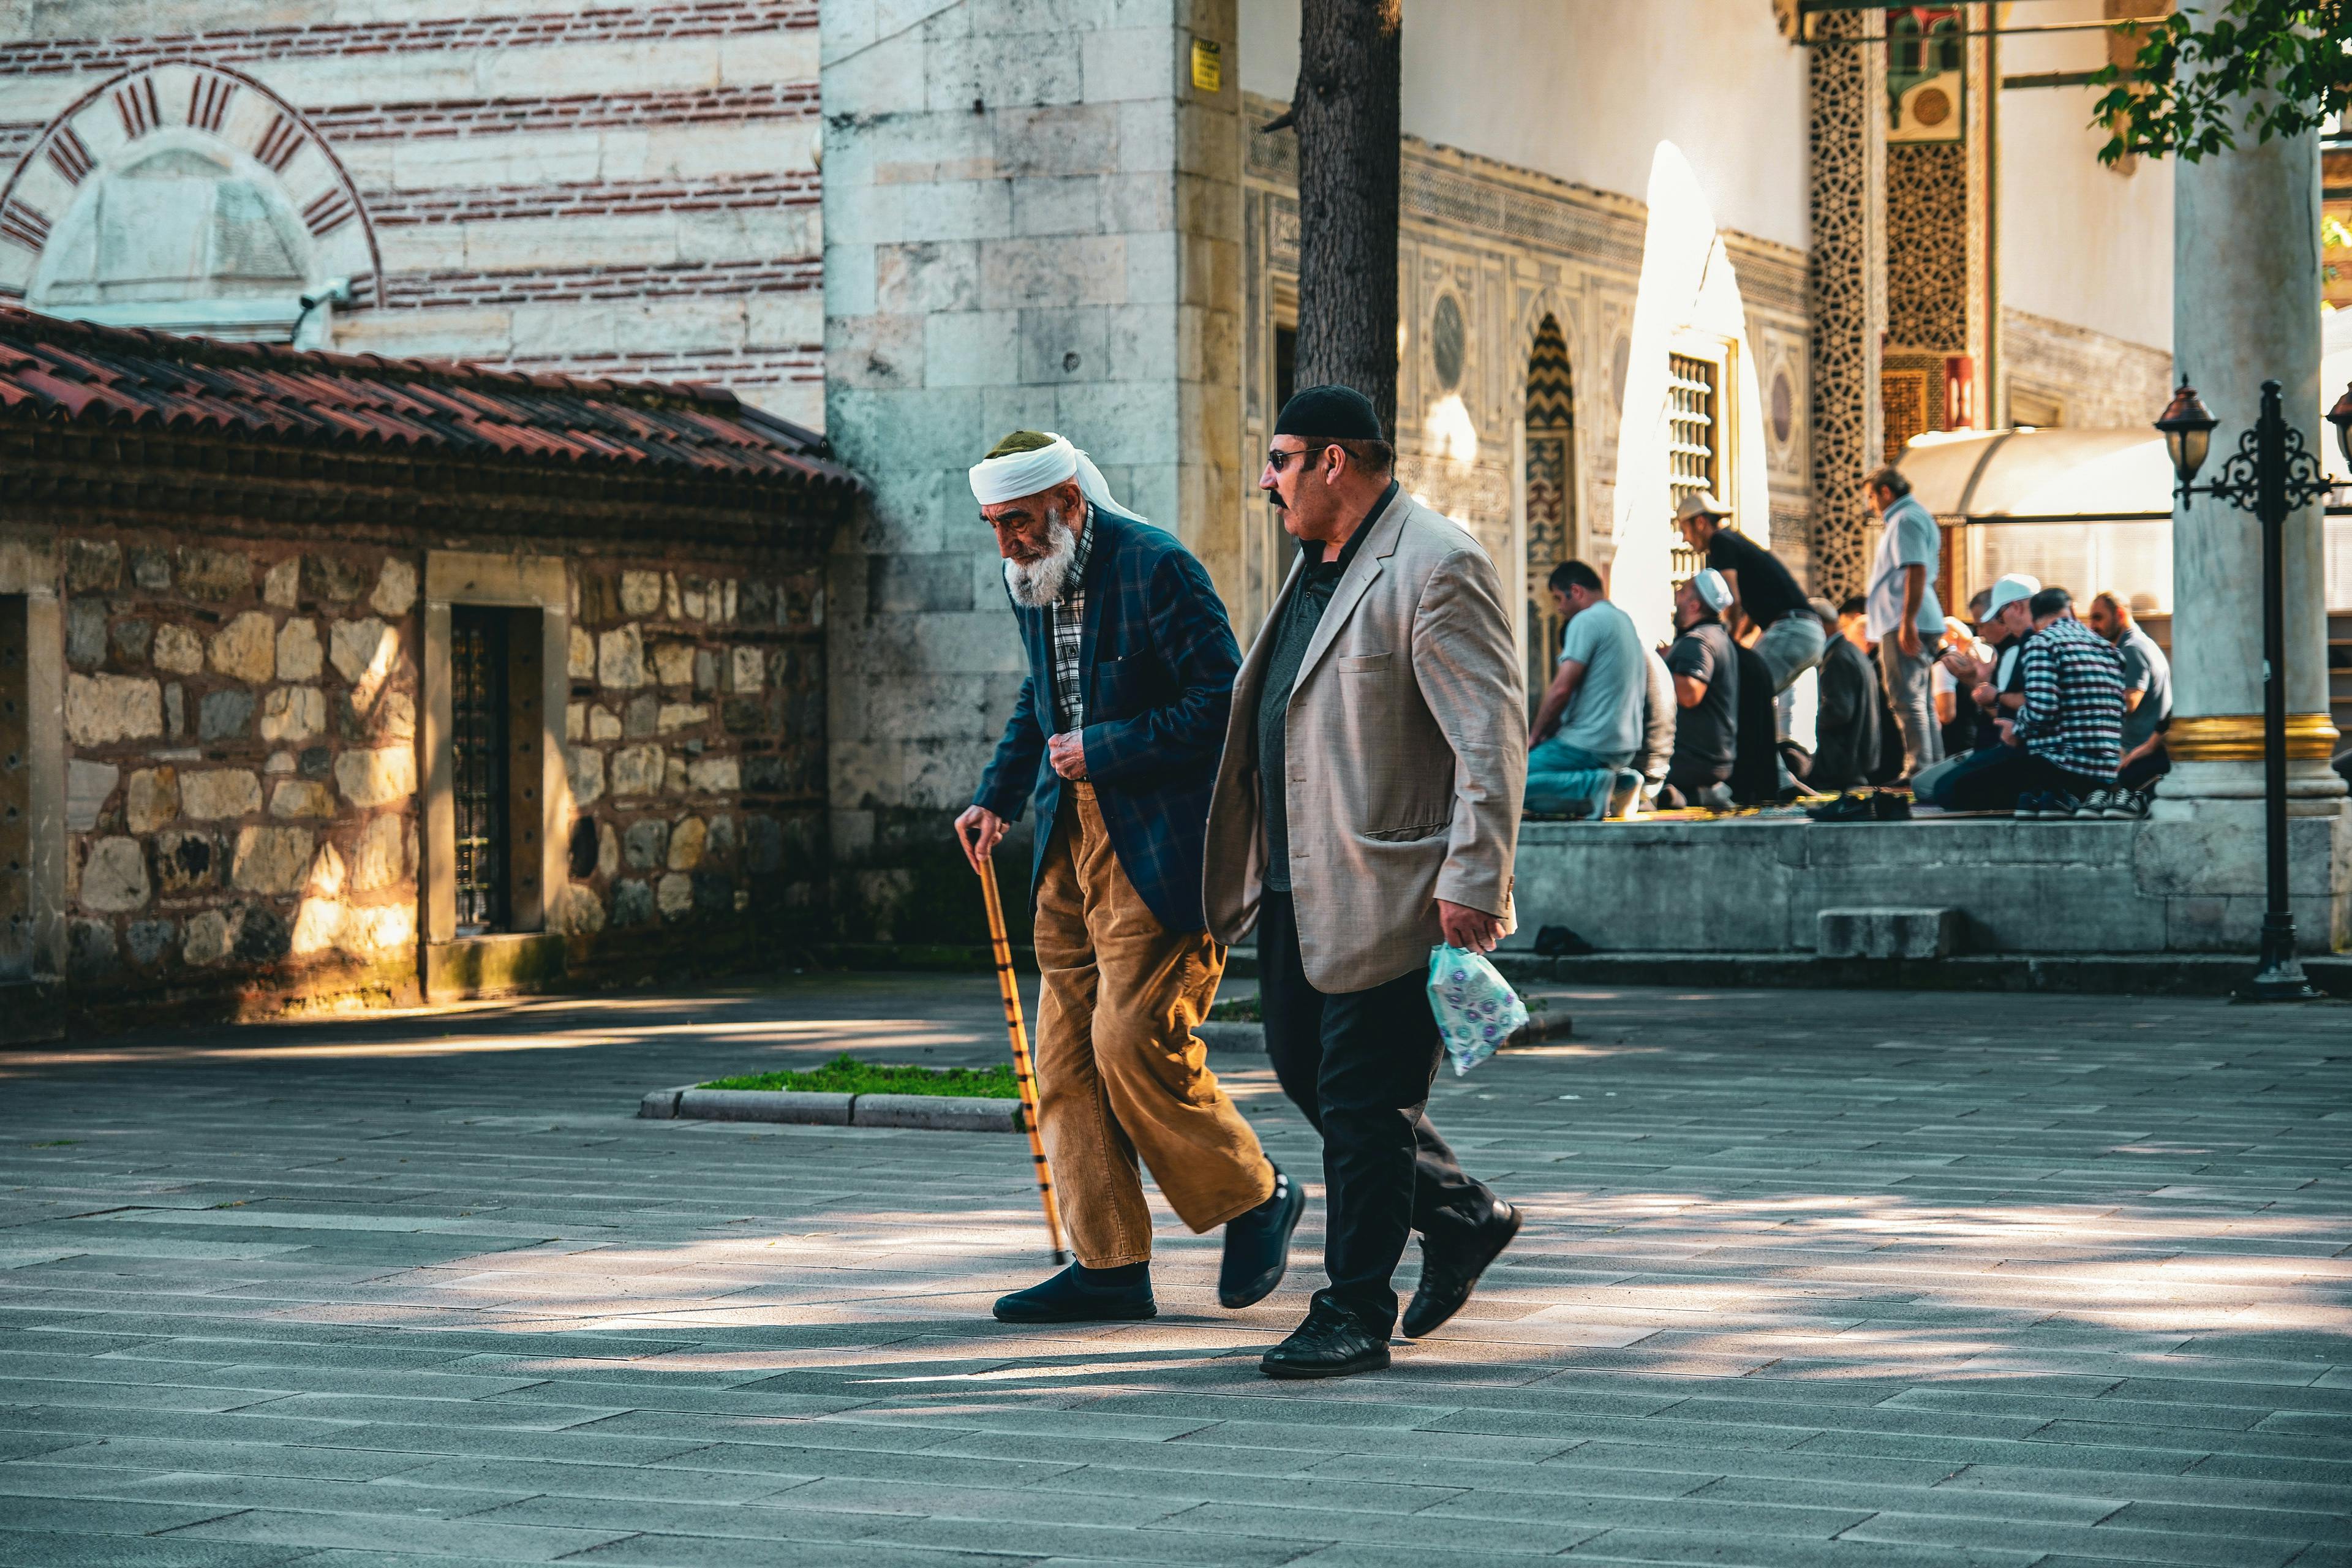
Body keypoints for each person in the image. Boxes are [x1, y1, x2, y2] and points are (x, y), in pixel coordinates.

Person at [1202, 384, 1525, 1381]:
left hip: (1398, 886)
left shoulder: (1434, 562)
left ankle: (1352, 1309)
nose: (1268, 478)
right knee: (1307, 1072)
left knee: (1363, 1101)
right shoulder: (1319, 567)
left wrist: (1475, 877)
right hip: (1302, 889)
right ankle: (1462, 1215)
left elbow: (1491, 736)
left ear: (1335, 461)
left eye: (1281, 458)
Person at [956, 430, 1302, 1327]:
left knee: (1132, 1036)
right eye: (995, 526)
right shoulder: (1029, 578)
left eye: (1022, 522)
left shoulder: (1156, 567)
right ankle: (1108, 1265)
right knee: (1063, 1063)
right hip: (1066, 843)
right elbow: (1041, 699)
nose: (1009, 545)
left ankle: (1257, 1197)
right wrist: (997, 797)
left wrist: (1105, 746)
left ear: (1070, 502)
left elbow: (1224, 700)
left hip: (1159, 844)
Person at [1947, 581, 2124, 815]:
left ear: (2025, 610)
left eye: (2002, 616)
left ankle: (2056, 799)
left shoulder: (2043, 642)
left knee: (1952, 791)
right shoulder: (2108, 648)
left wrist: (2016, 731)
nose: (2004, 624)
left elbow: (2042, 709)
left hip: (2061, 767)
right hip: (2105, 773)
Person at [1673, 491, 1825, 701]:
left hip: (1792, 632)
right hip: (1809, 633)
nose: (1685, 538)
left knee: (1739, 693)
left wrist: (1726, 643)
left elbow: (1732, 600)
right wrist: (1738, 642)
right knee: (1755, 695)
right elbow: (1751, 610)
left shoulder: (1720, 541)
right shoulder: (1734, 541)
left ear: (1700, 522)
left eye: (1684, 529)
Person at [1525, 560, 1646, 818]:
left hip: (1587, 744)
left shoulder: (1587, 620)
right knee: (1545, 792)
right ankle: (1621, 784)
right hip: (1622, 747)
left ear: (1576, 591)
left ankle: (1591, 784)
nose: (1559, 608)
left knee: (1508, 782)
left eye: (1559, 598)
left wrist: (1534, 737)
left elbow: (1561, 690)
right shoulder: (1623, 620)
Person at [1863, 465, 1947, 780]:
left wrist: (1907, 621)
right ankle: (1933, 769)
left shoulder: (1905, 519)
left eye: (1872, 497)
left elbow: (1916, 570)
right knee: (1920, 701)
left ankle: (1920, 768)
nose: (1871, 505)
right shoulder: (1910, 516)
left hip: (1906, 620)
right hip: (1910, 618)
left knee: (1906, 699)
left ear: (1887, 492)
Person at [1662, 568, 1740, 812]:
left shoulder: (1698, 641)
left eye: (1683, 591)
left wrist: (1654, 669)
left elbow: (1690, 695)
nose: (1677, 594)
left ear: (1695, 606)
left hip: (1693, 760)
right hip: (1716, 759)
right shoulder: (1717, 636)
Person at [2086, 590, 2171, 803]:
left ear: (2121, 616)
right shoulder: (2138, 644)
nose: (2092, 626)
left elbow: (2130, 702)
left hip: (2140, 754)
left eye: (2098, 618)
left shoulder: (2132, 649)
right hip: (2137, 751)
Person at [1807, 595, 1881, 793]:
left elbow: (1839, 711)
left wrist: (1809, 722)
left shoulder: (1837, 657)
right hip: (1857, 759)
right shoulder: (1850, 651)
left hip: (1843, 762)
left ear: (1818, 624)